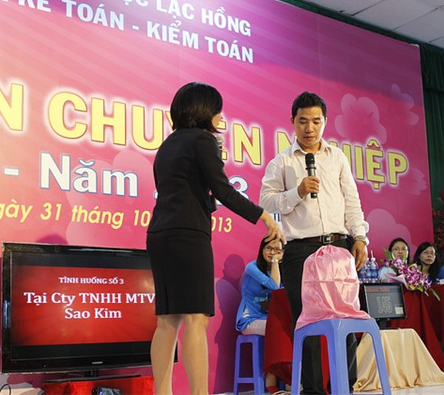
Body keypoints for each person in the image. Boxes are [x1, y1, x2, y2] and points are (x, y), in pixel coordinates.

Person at [146, 82, 285, 395]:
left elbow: (191, 192)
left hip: (159, 235)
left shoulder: (167, 145)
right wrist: (264, 217)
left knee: (166, 322)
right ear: (204, 110)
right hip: (188, 235)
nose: (221, 117)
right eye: (218, 110)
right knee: (196, 319)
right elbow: (223, 190)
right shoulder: (202, 140)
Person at [260, 91, 369, 394]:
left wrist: (360, 237)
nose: (310, 128)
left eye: (316, 121)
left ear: (325, 122)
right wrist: (297, 191)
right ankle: (312, 390)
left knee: (346, 318)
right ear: (292, 121)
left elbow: (352, 201)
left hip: (339, 246)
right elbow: (266, 201)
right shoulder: (282, 161)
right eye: (303, 121)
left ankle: (344, 387)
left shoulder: (337, 157)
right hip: (300, 250)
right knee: (306, 322)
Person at [236, 238, 283, 394]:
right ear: (262, 249)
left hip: (268, 319)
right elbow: (274, 286)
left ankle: (288, 377)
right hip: (249, 320)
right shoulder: (252, 267)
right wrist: (275, 262)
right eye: (269, 248)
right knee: (276, 328)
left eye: (277, 250)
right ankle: (271, 375)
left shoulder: (281, 271)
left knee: (289, 328)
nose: (272, 253)